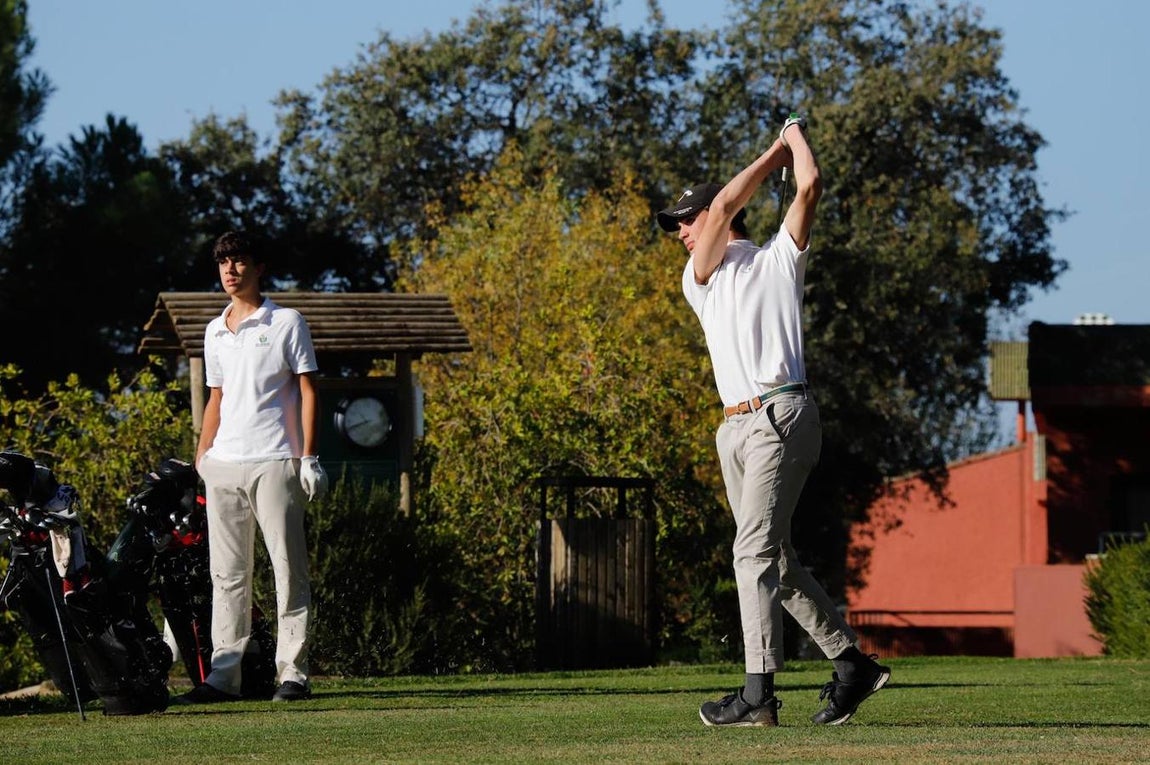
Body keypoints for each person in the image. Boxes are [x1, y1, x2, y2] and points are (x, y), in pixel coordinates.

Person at [657, 115, 890, 727]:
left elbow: (807, 184)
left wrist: (793, 140)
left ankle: (758, 694)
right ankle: (853, 667)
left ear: (718, 217)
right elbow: (728, 201)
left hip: (781, 416)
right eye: (676, 224)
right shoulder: (699, 279)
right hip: (733, 430)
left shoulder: (779, 259)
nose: (681, 232)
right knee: (774, 560)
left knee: (752, 551)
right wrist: (777, 148)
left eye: (686, 219)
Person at [175, 231, 328, 705]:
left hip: (276, 461)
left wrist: (308, 457)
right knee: (227, 575)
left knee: (288, 570)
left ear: (259, 268)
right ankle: (223, 677)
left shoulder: (286, 322)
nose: (230, 270)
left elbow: (308, 390)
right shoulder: (214, 330)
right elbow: (216, 397)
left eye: (239, 261)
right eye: (223, 262)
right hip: (224, 465)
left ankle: (293, 675)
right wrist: (203, 456)